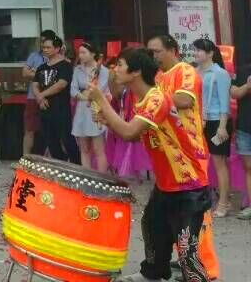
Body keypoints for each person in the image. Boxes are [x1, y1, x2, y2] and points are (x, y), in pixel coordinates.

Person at [88, 49, 211, 282]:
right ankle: (153, 273)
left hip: (188, 184)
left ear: (135, 72)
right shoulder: (142, 99)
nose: (115, 69)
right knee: (153, 227)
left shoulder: (157, 98)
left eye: (120, 65)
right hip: (166, 182)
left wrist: (101, 99)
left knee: (186, 248)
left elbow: (129, 132)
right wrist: (108, 119)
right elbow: (135, 135)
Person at [193, 38, 232, 217]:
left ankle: (224, 203)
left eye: (199, 50)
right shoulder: (194, 72)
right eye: (195, 50)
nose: (196, 53)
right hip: (199, 120)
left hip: (217, 121)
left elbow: (225, 103)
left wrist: (222, 127)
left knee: (219, 163)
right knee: (199, 162)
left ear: (210, 53)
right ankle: (204, 199)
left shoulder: (220, 73)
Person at [31, 31, 80, 164]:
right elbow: (35, 84)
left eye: (48, 47)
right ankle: (60, 163)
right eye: (43, 47)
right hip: (44, 108)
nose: (45, 50)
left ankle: (77, 164)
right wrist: (39, 98)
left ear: (57, 48)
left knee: (67, 138)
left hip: (61, 109)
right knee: (50, 140)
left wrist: (42, 95)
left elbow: (61, 85)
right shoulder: (41, 67)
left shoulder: (65, 65)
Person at [71, 42, 109, 173]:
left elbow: (99, 90)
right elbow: (73, 90)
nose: (80, 55)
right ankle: (86, 176)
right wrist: (84, 96)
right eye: (79, 53)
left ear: (93, 54)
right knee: (84, 149)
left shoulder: (103, 71)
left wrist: (86, 93)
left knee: (99, 149)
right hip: (81, 110)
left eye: (83, 53)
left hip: (96, 110)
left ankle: (102, 178)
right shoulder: (77, 70)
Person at [231, 57, 251, 220]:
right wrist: (247, 86)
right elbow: (234, 93)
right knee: (249, 168)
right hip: (245, 126)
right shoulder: (243, 69)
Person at [21, 42, 47, 156]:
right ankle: (25, 158)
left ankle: (51, 159)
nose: (44, 45)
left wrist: (35, 72)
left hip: (51, 98)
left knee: (52, 131)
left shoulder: (57, 58)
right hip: (32, 98)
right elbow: (24, 73)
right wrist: (42, 73)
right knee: (29, 129)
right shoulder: (34, 56)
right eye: (42, 42)